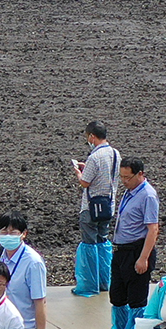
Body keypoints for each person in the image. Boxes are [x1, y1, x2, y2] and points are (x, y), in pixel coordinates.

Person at [98, 157, 160, 329]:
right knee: (117, 295)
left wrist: (143, 258)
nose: (124, 181)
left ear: (140, 174)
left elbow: (153, 229)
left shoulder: (148, 195)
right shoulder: (129, 192)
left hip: (137, 251)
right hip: (121, 250)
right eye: (121, 177)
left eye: (128, 177)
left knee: (136, 299)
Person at [71, 121, 121, 297]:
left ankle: (88, 285)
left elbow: (85, 182)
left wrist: (79, 172)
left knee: (89, 244)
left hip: (91, 208)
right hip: (108, 207)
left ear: (92, 136)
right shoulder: (115, 154)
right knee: (102, 241)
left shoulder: (94, 157)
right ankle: (104, 281)